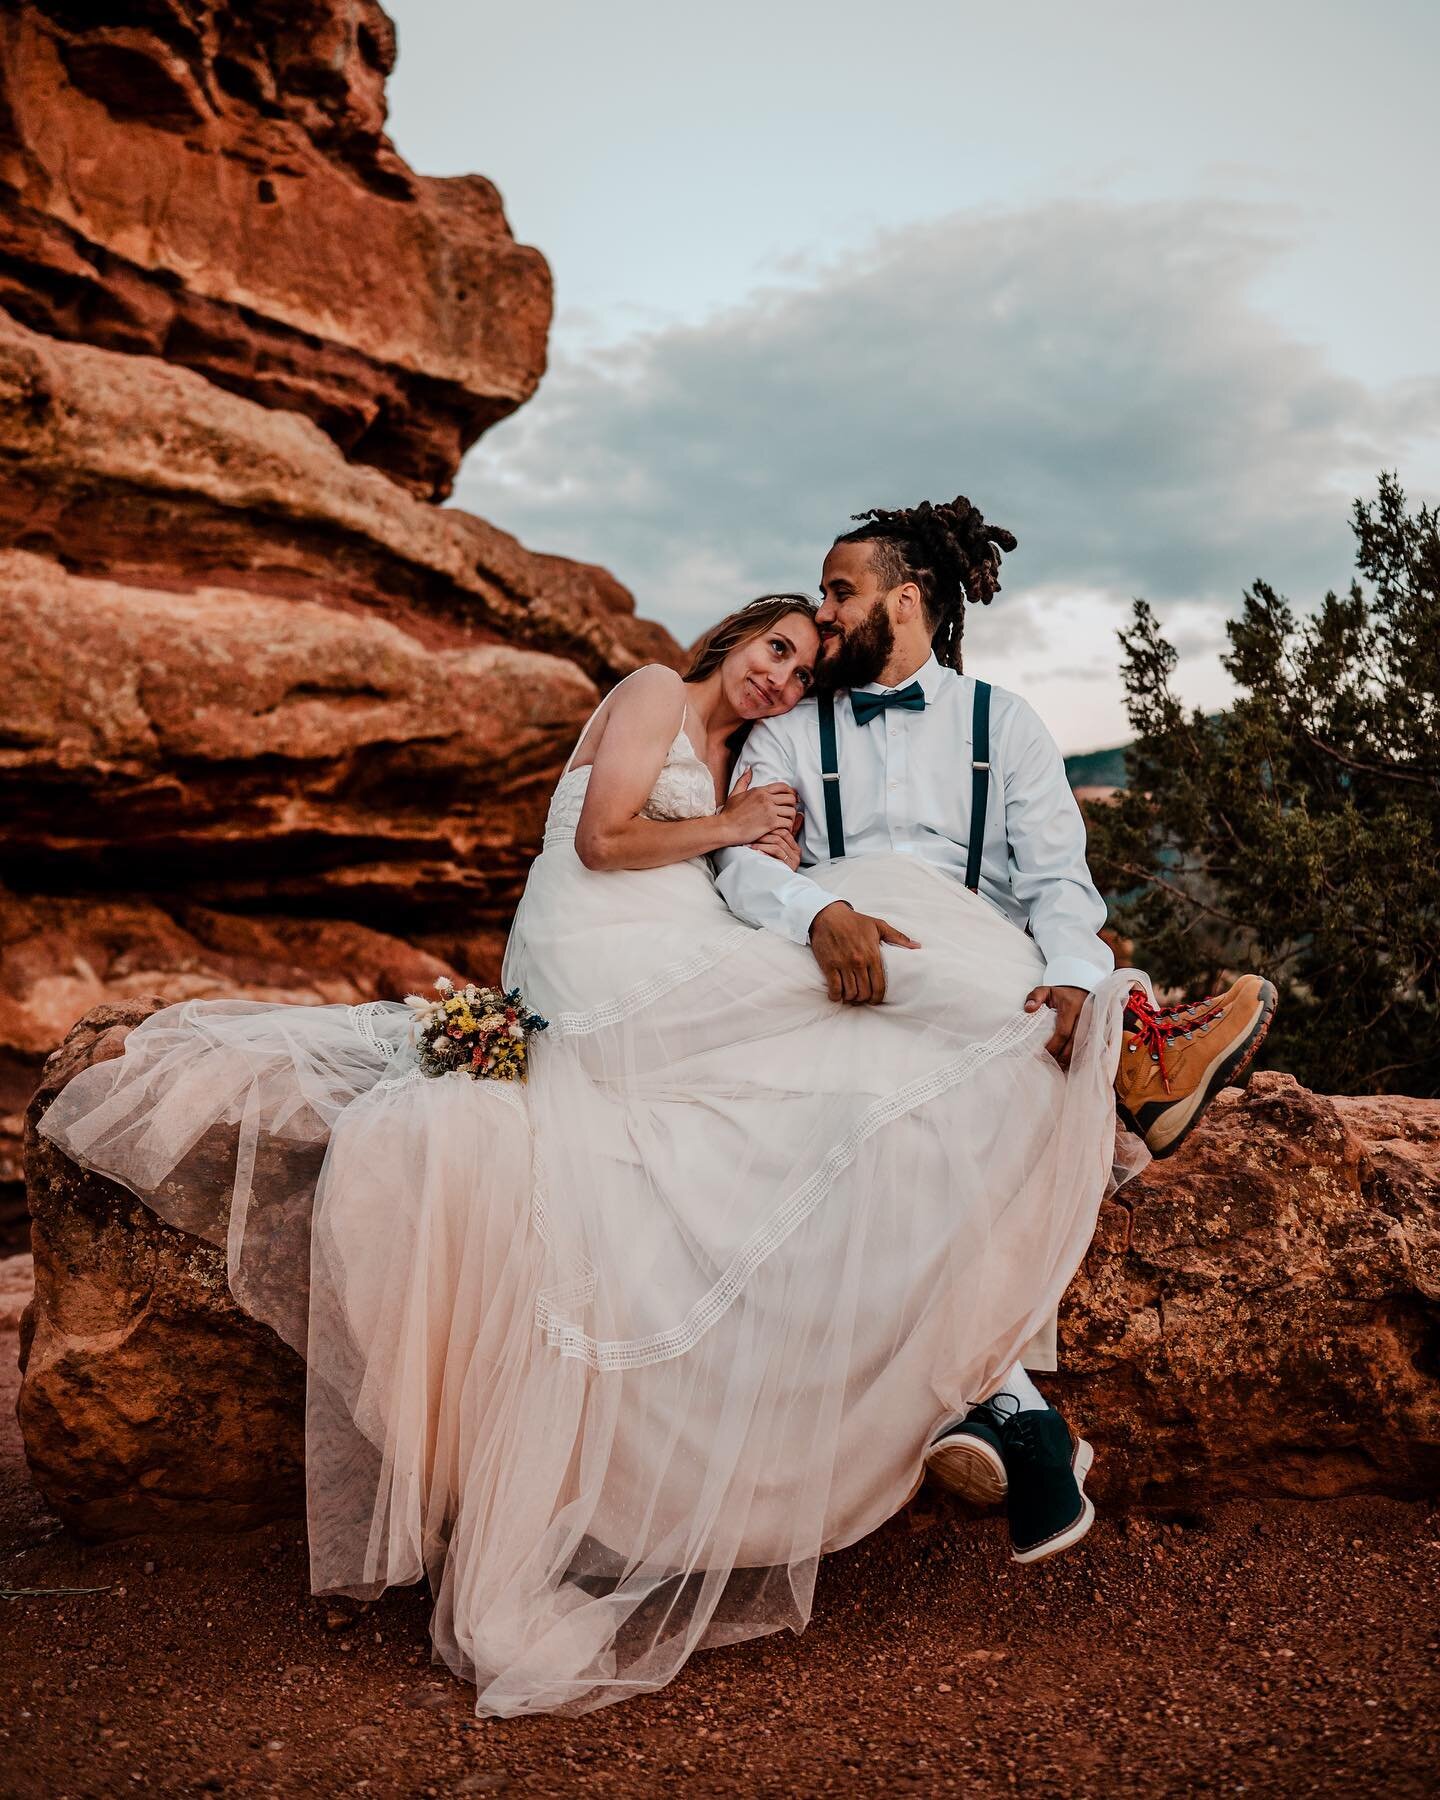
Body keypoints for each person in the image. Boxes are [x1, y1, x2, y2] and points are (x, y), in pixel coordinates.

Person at [33, 557, 1263, 1722]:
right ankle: (1121, 1044)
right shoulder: (648, 694)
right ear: (734, 635)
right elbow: (605, 842)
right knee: (893, 980)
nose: (784, 674)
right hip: (601, 954)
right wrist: (739, 835)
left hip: (681, 939)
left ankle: (1094, 1070)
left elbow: (766, 883)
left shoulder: (777, 749)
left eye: (804, 661)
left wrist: (765, 849)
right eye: (779, 644)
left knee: (862, 1037)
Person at [713, 495, 1276, 1532]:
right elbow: (744, 867)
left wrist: (1068, 971)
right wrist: (816, 907)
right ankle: (1138, 1050)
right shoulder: (786, 731)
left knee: (979, 1082)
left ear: (910, 598)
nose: (823, 616)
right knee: (939, 1093)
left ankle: (997, 1404)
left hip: (979, 961)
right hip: (849, 974)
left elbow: (1060, 884)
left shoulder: (1004, 724)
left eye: (841, 592)